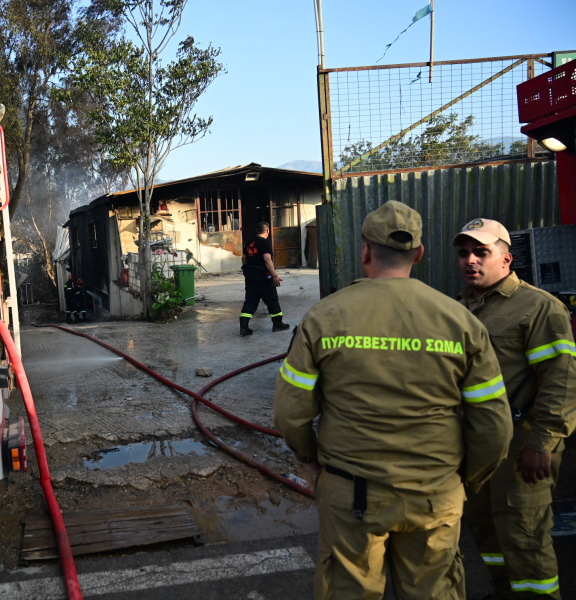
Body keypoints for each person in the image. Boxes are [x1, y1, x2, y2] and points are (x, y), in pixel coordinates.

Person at [275, 201, 513, 600]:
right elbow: (495, 426)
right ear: (419, 254)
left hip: (352, 493)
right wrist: (464, 480)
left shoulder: (323, 318)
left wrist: (311, 462)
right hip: (435, 493)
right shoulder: (460, 322)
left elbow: (290, 412)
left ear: (365, 251)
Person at [454, 218, 576, 600]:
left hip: (519, 447)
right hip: (474, 448)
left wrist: (542, 444)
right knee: (485, 531)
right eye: (463, 253)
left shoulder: (540, 308)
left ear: (506, 258)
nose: (470, 260)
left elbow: (562, 382)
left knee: (523, 536)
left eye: (481, 252)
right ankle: (503, 592)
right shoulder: (458, 309)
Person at [240, 221, 289, 336]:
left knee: (251, 300)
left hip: (250, 276)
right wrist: (275, 276)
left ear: (257, 231)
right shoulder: (265, 242)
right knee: (271, 299)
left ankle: (244, 327)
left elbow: (243, 258)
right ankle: (277, 324)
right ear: (267, 231)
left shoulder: (249, 242)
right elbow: (267, 259)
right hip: (263, 276)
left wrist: (245, 271)